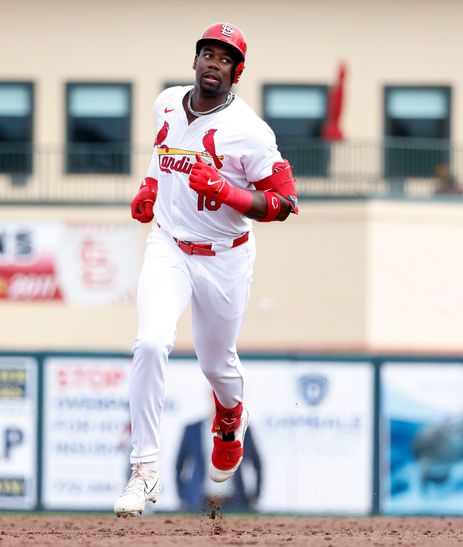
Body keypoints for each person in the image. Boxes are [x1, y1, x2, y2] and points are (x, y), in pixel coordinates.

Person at [114, 22, 298, 517]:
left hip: (225, 255)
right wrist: (150, 189)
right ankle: (144, 470)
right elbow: (161, 153)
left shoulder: (251, 131)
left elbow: (284, 202)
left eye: (224, 58)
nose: (213, 64)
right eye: (207, 54)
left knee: (216, 366)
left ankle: (229, 416)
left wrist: (228, 193)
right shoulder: (168, 102)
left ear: (237, 71)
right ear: (194, 60)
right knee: (151, 342)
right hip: (169, 246)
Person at [175, 414, 263, 513]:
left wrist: (255, 497)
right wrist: (183, 496)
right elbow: (179, 465)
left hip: (235, 503)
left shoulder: (243, 429)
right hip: (199, 502)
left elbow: (257, 464)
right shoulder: (193, 429)